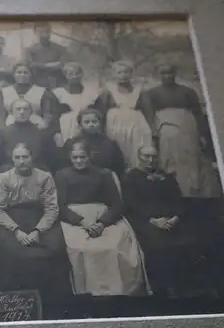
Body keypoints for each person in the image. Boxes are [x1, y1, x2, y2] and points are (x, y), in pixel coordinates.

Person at [55, 140, 149, 296]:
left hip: (103, 216)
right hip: (74, 219)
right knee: (80, 248)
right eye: (75, 157)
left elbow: (117, 204)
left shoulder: (104, 174)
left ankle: (116, 292)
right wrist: (82, 222)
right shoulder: (62, 175)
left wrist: (102, 223)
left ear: (89, 156)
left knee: (114, 245)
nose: (79, 161)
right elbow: (60, 206)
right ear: (70, 158)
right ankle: (88, 292)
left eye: (82, 157)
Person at [122, 145, 214, 296]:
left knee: (189, 240)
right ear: (139, 157)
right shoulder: (130, 177)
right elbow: (132, 204)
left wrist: (175, 218)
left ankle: (184, 285)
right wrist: (154, 220)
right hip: (146, 220)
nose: (151, 160)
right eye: (146, 156)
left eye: (153, 157)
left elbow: (178, 200)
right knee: (157, 243)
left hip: (172, 219)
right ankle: (162, 287)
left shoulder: (166, 176)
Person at [0, 144, 71, 314]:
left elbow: (51, 208)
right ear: (12, 159)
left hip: (39, 218)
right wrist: (16, 230)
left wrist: (38, 230)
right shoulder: (4, 178)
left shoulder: (45, 177)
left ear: (32, 158)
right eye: (17, 158)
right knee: (9, 251)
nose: (21, 161)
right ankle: (13, 305)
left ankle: (51, 303)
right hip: (11, 220)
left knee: (54, 248)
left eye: (25, 157)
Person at [145, 64, 221, 198]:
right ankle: (173, 192)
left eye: (170, 73)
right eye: (163, 73)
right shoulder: (152, 93)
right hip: (165, 129)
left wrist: (202, 134)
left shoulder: (187, 91)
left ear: (175, 74)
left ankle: (193, 191)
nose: (167, 76)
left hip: (187, 129)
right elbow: (149, 114)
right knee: (169, 159)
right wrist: (154, 132)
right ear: (158, 75)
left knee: (191, 159)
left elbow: (197, 113)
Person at [94, 60, 153, 169]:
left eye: (126, 72)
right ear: (114, 74)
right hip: (116, 126)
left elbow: (148, 110)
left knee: (137, 151)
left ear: (131, 74)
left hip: (136, 125)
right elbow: (101, 112)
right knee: (119, 151)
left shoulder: (140, 91)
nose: (123, 76)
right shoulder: (108, 91)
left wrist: (151, 129)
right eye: (119, 72)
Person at [0, 98, 60, 178]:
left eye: (25, 109)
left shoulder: (42, 134)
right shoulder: (2, 133)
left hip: (36, 176)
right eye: (18, 109)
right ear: (11, 112)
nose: (22, 112)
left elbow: (51, 159)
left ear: (31, 112)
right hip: (10, 176)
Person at [0, 62, 67, 130]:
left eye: (25, 73)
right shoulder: (4, 92)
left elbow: (47, 114)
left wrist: (45, 126)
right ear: (14, 75)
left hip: (36, 126)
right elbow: (1, 115)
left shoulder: (42, 92)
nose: (22, 75)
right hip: (10, 127)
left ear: (30, 75)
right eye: (19, 72)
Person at [62, 108, 125, 178]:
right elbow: (64, 166)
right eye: (87, 122)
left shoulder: (110, 144)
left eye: (94, 121)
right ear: (80, 124)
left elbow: (119, 168)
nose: (91, 124)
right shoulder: (71, 143)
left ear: (100, 123)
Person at [51, 62, 100, 144]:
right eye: (70, 74)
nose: (74, 76)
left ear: (82, 74)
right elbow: (54, 116)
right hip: (67, 125)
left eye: (77, 73)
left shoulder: (91, 91)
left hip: (87, 124)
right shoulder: (58, 93)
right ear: (65, 75)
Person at [23, 22, 68, 89]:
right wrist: (50, 65)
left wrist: (42, 66)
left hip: (57, 85)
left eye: (47, 32)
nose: (44, 35)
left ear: (50, 32)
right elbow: (30, 66)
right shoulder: (29, 50)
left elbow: (63, 64)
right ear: (35, 33)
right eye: (40, 32)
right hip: (36, 86)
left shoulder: (60, 49)